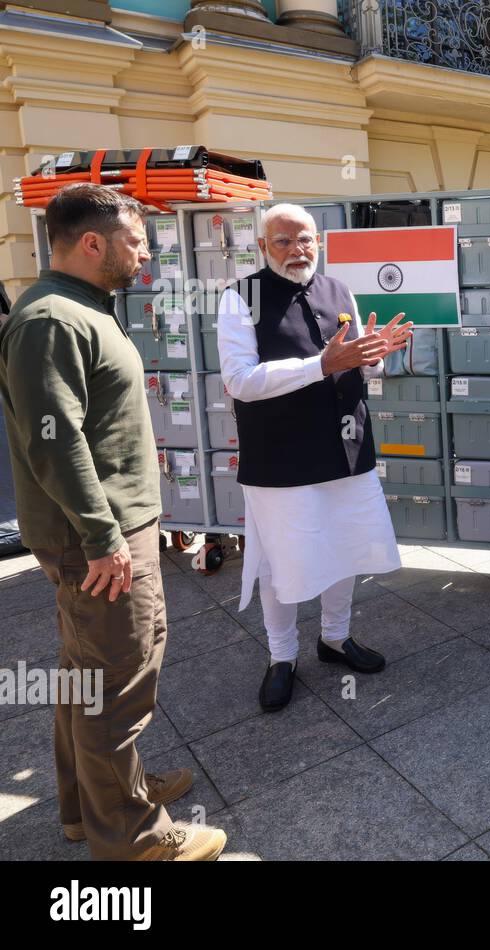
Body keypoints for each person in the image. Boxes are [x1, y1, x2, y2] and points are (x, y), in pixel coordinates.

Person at [0, 183, 224, 860]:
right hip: (96, 540)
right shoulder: (53, 321)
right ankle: (131, 836)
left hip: (103, 532)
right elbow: (53, 439)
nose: (146, 253)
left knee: (84, 675)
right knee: (115, 684)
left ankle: (89, 804)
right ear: (92, 243)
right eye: (136, 239)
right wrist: (102, 539)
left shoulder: (82, 307)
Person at [217, 203, 413, 712]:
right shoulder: (241, 298)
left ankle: (335, 638)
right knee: (280, 561)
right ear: (262, 247)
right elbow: (239, 381)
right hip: (280, 454)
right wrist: (321, 364)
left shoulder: (337, 289)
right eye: (283, 241)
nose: (297, 250)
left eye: (305, 240)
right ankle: (281, 657)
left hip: (345, 445)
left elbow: (355, 369)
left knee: (345, 544)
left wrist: (373, 360)